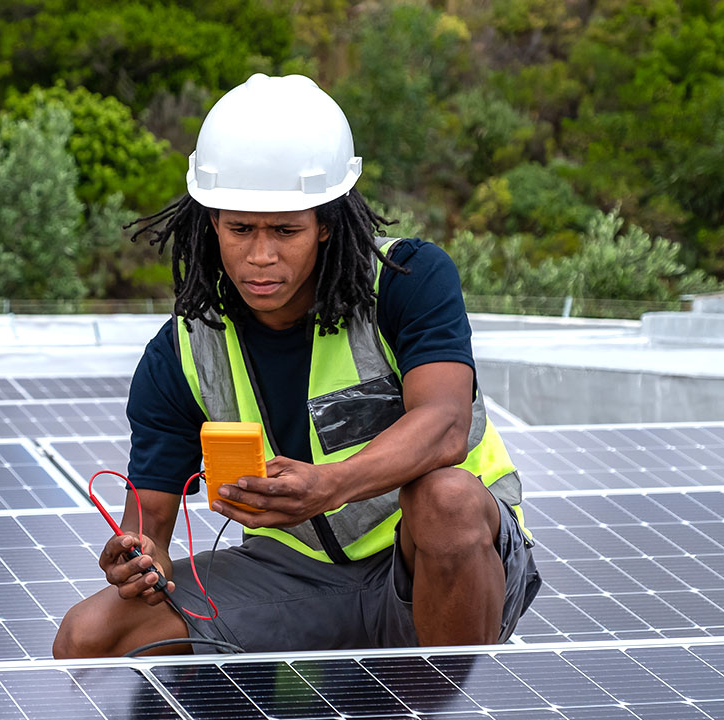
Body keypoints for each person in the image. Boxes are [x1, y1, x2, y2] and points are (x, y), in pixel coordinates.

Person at [53, 74, 540, 658]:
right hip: (300, 577)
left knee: (446, 500)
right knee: (88, 636)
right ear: (212, 222)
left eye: (286, 230)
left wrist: (328, 486)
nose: (261, 256)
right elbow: (149, 521)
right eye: (240, 229)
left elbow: (445, 424)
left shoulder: (408, 282)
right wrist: (138, 557)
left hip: (446, 561)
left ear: (327, 222)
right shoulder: (181, 352)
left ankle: (453, 697)